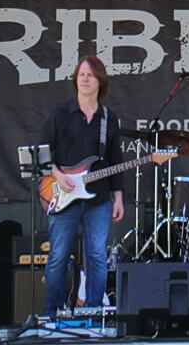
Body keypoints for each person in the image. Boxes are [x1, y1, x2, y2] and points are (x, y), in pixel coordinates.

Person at [38, 55, 125, 317]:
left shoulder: (108, 118)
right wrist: (57, 174)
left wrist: (118, 197)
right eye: (81, 75)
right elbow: (42, 152)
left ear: (100, 81)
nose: (85, 79)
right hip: (63, 193)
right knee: (58, 256)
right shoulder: (61, 113)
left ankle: (93, 312)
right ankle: (51, 313)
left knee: (97, 256)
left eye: (90, 75)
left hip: (98, 199)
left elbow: (115, 160)